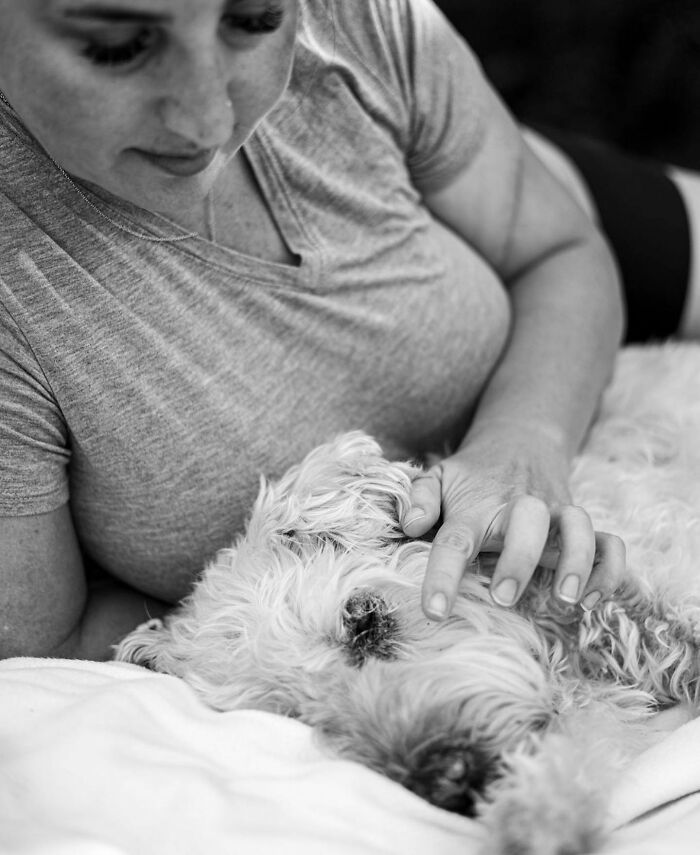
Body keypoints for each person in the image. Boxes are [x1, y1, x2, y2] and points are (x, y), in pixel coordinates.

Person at [0, 0, 689, 661]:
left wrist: (526, 439)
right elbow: (44, 641)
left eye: (254, 19)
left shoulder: (355, 23)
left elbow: (562, 253)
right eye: (117, 47)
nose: (208, 118)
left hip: (522, 208)